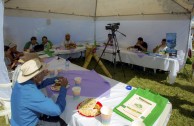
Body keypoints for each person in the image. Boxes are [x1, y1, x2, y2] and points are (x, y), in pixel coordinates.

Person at [11, 58, 68, 126]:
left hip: (18, 122)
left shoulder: (21, 83)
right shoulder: (32, 93)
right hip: (30, 124)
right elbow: (57, 110)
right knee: (63, 122)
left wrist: (54, 79)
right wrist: (63, 88)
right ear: (35, 77)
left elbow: (38, 85)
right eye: (42, 71)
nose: (44, 72)